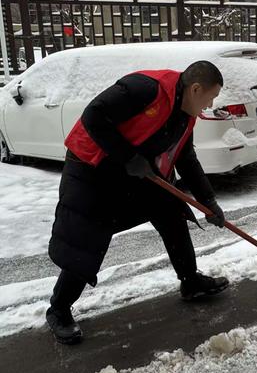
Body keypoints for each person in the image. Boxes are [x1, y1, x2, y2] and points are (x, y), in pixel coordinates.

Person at [46, 60, 229, 345]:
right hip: (91, 168)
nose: (210, 104)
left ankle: (190, 281)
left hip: (133, 170)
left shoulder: (186, 113)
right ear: (195, 89)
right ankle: (58, 309)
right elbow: (93, 116)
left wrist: (208, 201)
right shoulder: (145, 89)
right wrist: (129, 158)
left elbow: (185, 157)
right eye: (211, 97)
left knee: (170, 210)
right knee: (86, 236)